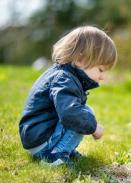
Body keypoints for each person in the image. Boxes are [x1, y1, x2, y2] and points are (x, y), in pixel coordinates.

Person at [19, 26, 117, 166]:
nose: (102, 77)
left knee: (82, 111)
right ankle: (56, 155)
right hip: (41, 141)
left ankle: (66, 150)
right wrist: (94, 128)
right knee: (84, 113)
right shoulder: (64, 79)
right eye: (100, 70)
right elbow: (70, 114)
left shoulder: (63, 74)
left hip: (38, 137)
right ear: (79, 59)